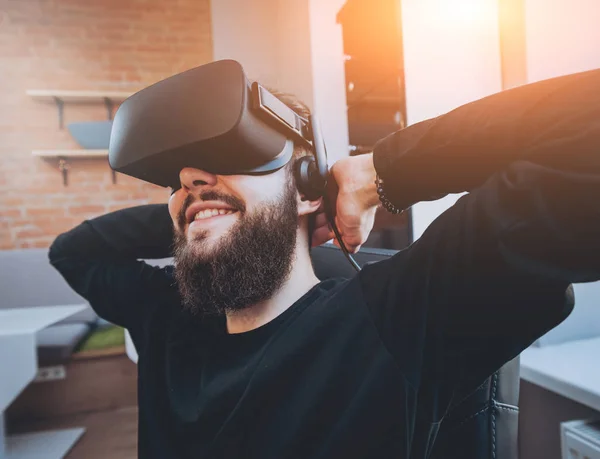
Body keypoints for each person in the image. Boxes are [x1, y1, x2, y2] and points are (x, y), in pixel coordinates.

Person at [50, 70, 600, 459]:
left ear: (309, 188)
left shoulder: (398, 315)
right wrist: (199, 207)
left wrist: (391, 169)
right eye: (179, 177)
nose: (190, 179)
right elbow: (72, 251)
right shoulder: (168, 316)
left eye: (227, 158)